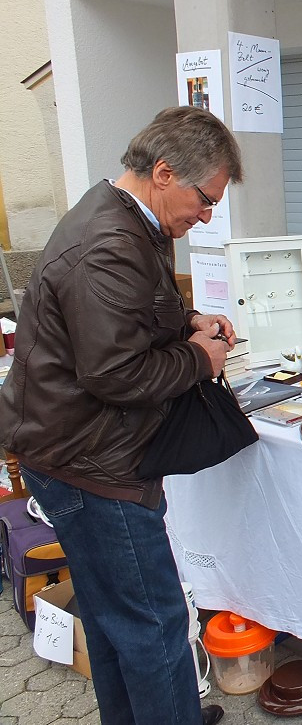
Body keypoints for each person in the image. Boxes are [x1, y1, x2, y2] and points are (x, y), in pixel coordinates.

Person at [0, 106, 243, 725]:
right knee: (154, 628)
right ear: (164, 173)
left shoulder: (123, 216)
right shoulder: (109, 242)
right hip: (92, 466)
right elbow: (116, 374)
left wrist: (188, 322)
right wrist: (200, 358)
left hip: (72, 453)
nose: (207, 215)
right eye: (206, 199)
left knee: (114, 622)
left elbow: (131, 314)